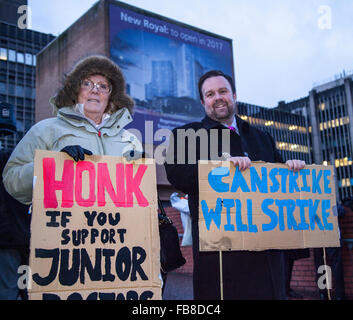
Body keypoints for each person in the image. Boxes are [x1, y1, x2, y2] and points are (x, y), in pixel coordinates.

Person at [164, 70, 306, 300]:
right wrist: (220, 169)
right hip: (221, 261)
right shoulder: (186, 135)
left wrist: (291, 169)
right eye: (210, 94)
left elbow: (284, 189)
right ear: (203, 102)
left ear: (234, 95)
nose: (217, 97)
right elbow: (177, 175)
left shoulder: (262, 137)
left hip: (267, 259)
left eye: (223, 91)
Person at [3, 55, 142, 205]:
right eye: (87, 84)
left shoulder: (130, 139)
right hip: (66, 226)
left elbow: (142, 193)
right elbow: (12, 180)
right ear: (75, 90)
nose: (95, 91)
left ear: (111, 96)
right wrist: (54, 162)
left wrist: (141, 167)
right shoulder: (46, 129)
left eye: (103, 86)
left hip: (118, 226)